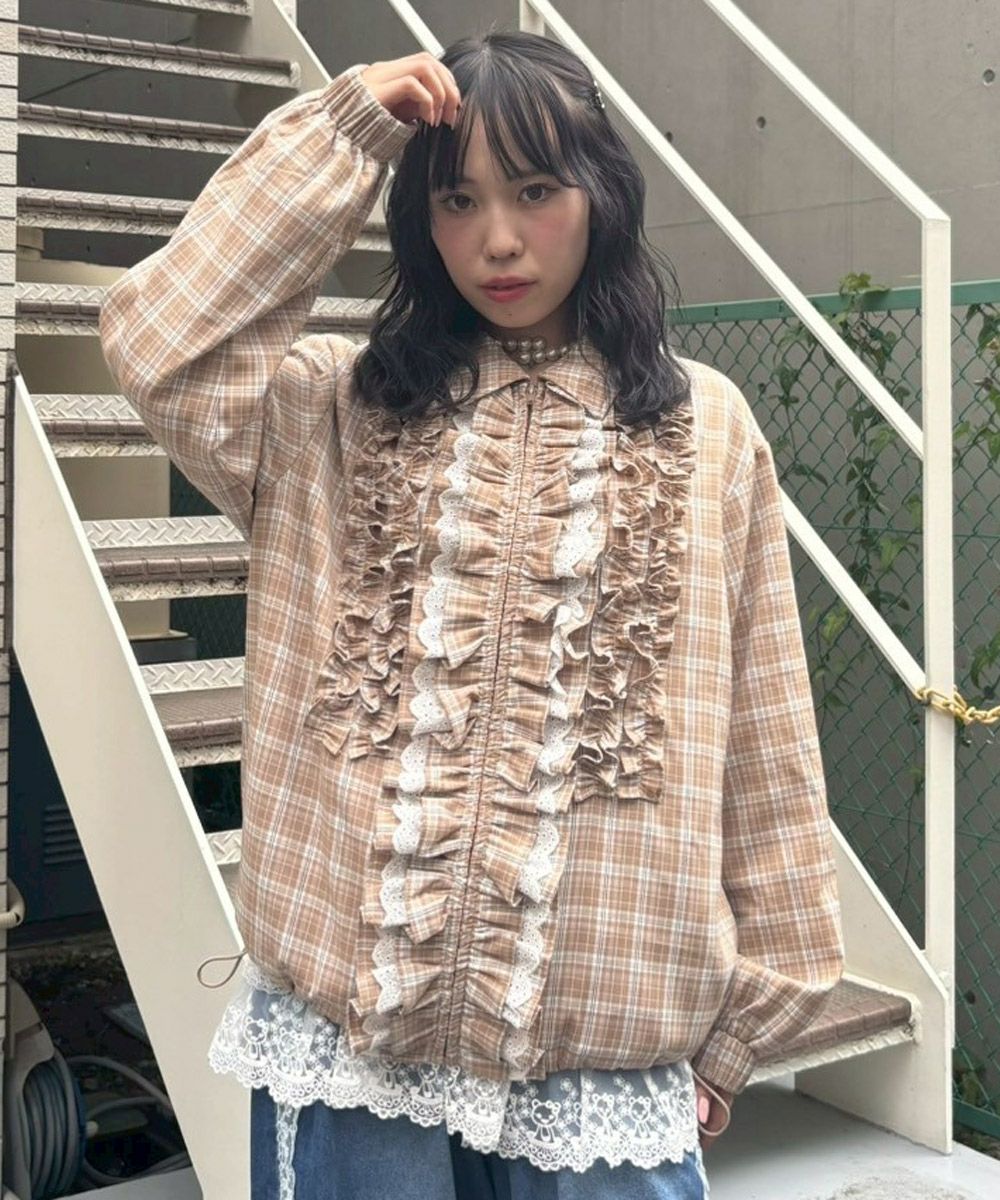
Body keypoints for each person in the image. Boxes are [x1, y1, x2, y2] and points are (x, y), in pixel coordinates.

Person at [99, 28, 845, 1200]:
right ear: (420, 220)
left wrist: (750, 1016)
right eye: (457, 201)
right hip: (354, 1053)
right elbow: (161, 345)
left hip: (605, 1046)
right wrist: (344, 133)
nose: (497, 240)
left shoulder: (705, 429)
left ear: (601, 195)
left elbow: (764, 731)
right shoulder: (329, 410)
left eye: (535, 191)